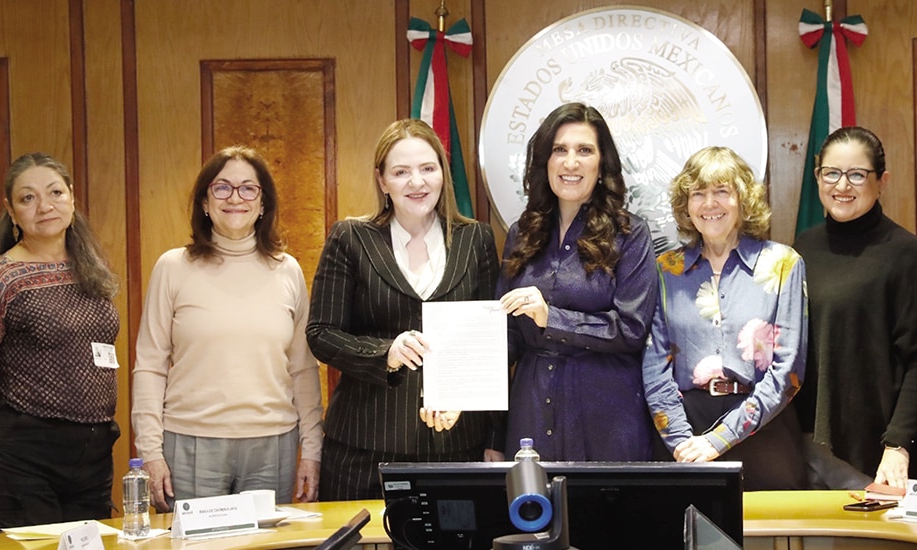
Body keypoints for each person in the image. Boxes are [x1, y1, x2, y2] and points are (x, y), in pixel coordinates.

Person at [306, 119, 502, 501]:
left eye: (428, 169)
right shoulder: (350, 238)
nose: (417, 182)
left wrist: (487, 426)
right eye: (401, 172)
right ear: (382, 181)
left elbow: (491, 341)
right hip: (363, 451)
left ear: (443, 174)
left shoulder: (475, 239)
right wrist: (385, 353)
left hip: (454, 448)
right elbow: (321, 333)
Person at [132, 146, 323, 512]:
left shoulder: (288, 271)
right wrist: (151, 453)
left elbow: (303, 369)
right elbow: (150, 366)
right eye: (221, 188)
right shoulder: (172, 267)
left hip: (272, 447)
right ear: (204, 201)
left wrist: (311, 450)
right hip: (189, 446)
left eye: (248, 188)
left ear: (263, 203)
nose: (235, 198)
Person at [498, 102, 658, 461]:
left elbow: (632, 329)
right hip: (531, 411)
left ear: (602, 164)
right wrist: (460, 391)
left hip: (606, 413)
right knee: (532, 514)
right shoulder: (521, 234)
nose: (571, 162)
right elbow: (504, 335)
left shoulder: (630, 234)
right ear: (545, 162)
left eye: (584, 150)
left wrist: (551, 318)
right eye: (559, 150)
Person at [642, 146, 808, 490]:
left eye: (721, 191)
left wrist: (718, 441)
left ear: (743, 200)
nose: (709, 203)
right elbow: (653, 367)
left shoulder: (783, 265)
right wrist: (681, 442)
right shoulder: (665, 271)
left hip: (764, 428)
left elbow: (788, 370)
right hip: (684, 431)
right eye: (698, 193)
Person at [793, 126, 917, 489]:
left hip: (880, 456)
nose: (842, 186)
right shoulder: (803, 247)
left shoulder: (909, 256)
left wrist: (899, 444)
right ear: (817, 177)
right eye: (831, 172)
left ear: (882, 181)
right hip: (809, 447)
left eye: (857, 175)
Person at [0, 153, 120, 527]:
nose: (45, 206)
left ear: (72, 198)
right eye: (28, 198)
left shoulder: (89, 267)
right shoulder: (3, 278)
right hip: (23, 455)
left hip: (93, 453)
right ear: (11, 211)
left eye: (55, 193)